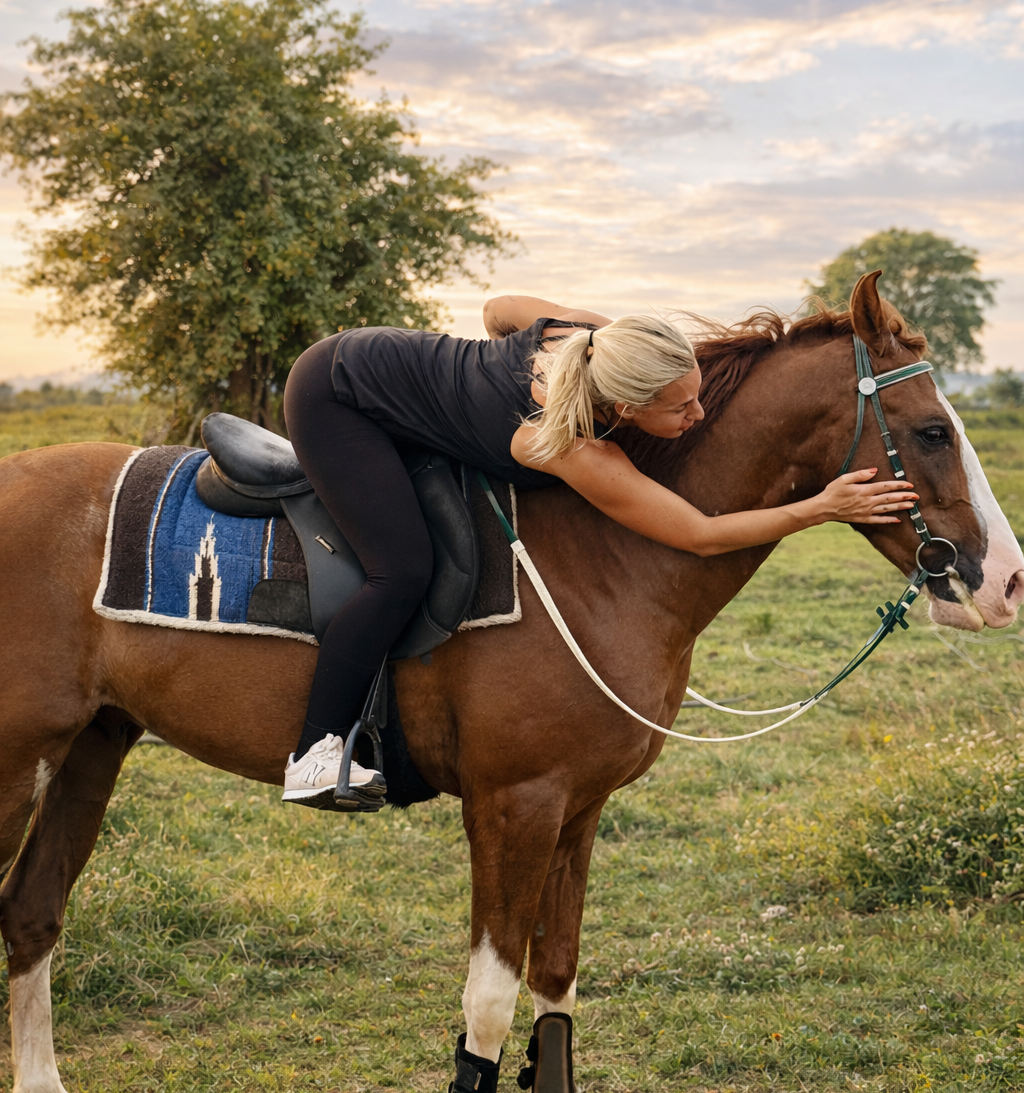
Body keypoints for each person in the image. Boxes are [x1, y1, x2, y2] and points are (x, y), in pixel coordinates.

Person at [281, 293, 916, 808]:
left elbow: (498, 310)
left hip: (391, 361)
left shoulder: (599, 339)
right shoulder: (556, 443)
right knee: (400, 571)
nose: (699, 413)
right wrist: (821, 508)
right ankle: (315, 754)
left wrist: (463, 387)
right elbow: (698, 534)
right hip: (336, 392)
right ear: (625, 406)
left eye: (695, 392)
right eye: (681, 407)